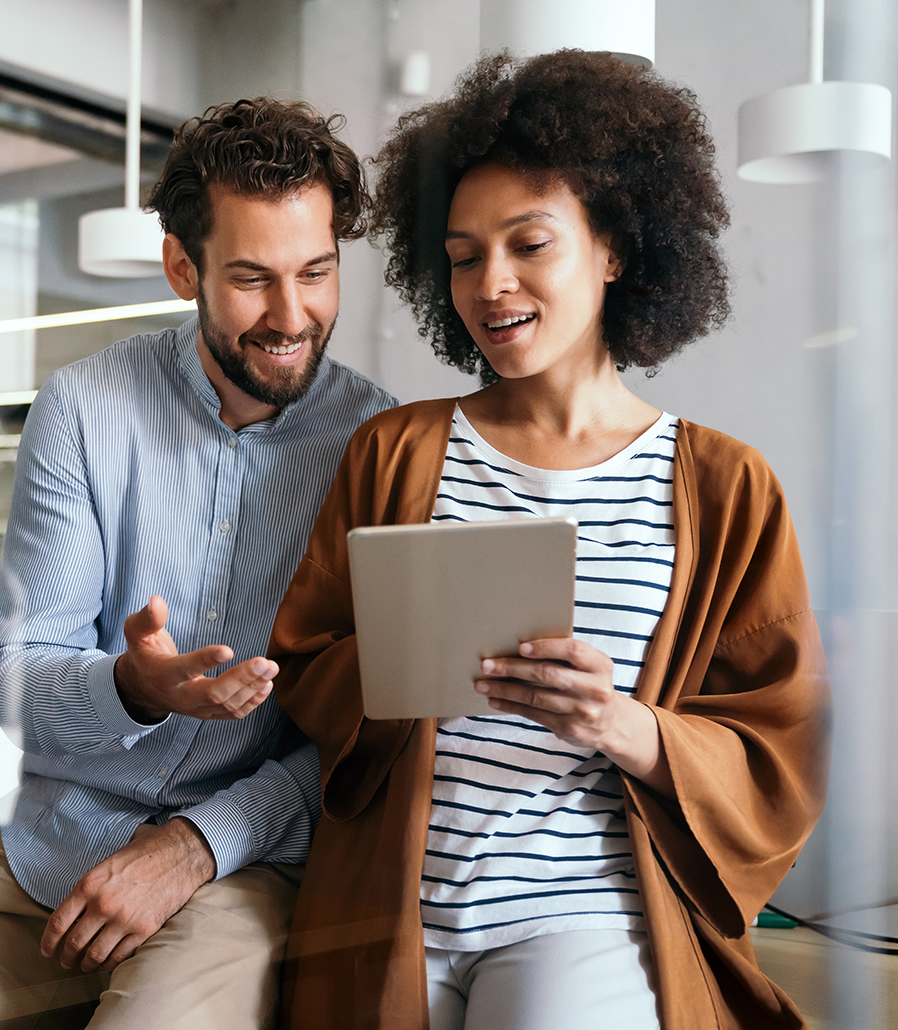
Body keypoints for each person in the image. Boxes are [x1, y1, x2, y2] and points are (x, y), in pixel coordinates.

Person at [267, 52, 830, 1030]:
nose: (492, 284)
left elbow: (780, 738)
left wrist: (627, 725)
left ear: (616, 248)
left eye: (530, 244)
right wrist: (401, 662)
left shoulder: (723, 487)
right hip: (387, 908)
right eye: (464, 254)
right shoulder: (397, 449)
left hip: (581, 916)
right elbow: (306, 660)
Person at [0, 97, 395, 1030]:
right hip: (50, 852)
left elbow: (368, 738)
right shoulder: (82, 408)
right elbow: (16, 681)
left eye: (316, 272)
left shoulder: (380, 445)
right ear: (181, 267)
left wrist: (195, 843)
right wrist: (134, 687)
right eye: (250, 278)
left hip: (240, 863)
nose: (291, 314)